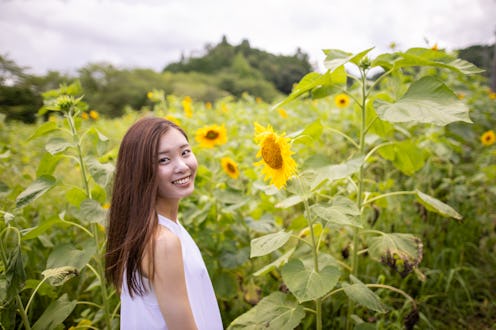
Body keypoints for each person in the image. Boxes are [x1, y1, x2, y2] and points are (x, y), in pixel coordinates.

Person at [105, 116, 223, 330]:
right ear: (139, 171)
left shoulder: (148, 227)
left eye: (185, 152)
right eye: (163, 160)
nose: (182, 166)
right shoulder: (163, 241)